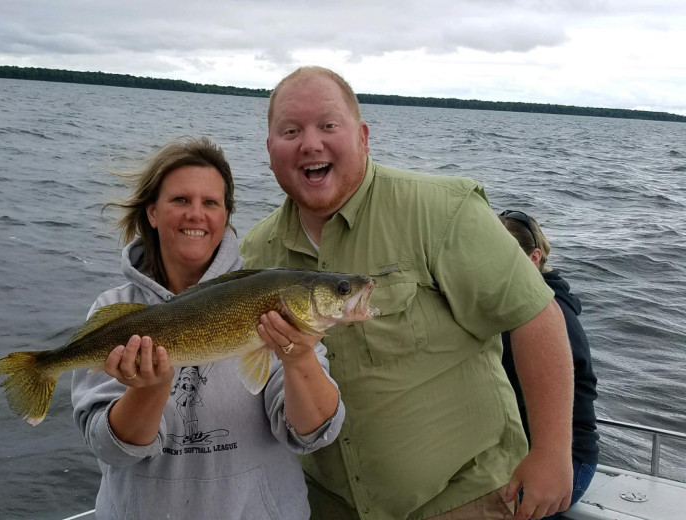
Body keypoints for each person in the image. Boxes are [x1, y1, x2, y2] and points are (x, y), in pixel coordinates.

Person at [240, 66, 575, 520]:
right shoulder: (257, 250)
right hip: (321, 505)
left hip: (463, 499)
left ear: (362, 136)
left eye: (328, 125)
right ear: (270, 149)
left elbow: (535, 315)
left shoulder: (441, 211)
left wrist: (553, 452)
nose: (310, 143)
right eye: (291, 130)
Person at [71, 136, 345, 519]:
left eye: (211, 203)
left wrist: (299, 357)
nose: (196, 214)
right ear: (152, 212)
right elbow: (110, 449)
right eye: (181, 200)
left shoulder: (276, 303)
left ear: (226, 216)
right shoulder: (115, 310)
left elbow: (312, 434)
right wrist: (148, 391)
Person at [499, 210, 599, 518]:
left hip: (566, 459)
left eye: (501, 255)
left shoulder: (550, 314)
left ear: (533, 257)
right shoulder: (504, 305)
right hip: (518, 448)